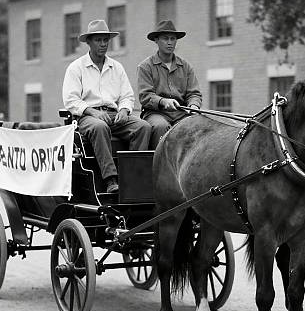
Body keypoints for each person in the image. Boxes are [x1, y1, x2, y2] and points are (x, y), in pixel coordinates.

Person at [63, 19, 151, 193]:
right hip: (87, 118)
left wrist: (125, 110)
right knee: (100, 127)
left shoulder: (116, 67)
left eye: (105, 40)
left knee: (143, 127)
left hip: (114, 115)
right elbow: (71, 100)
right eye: (98, 40)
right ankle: (111, 179)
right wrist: (93, 112)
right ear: (88, 42)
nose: (103, 44)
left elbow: (127, 95)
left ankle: (133, 179)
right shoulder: (76, 68)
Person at [137, 19, 202, 148]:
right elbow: (145, 96)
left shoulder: (185, 66)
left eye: (173, 39)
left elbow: (194, 93)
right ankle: (159, 165)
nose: (170, 42)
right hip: (155, 114)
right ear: (156, 40)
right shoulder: (145, 66)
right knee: (161, 126)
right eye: (165, 38)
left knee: (199, 125)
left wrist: (194, 106)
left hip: (181, 114)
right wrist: (163, 101)